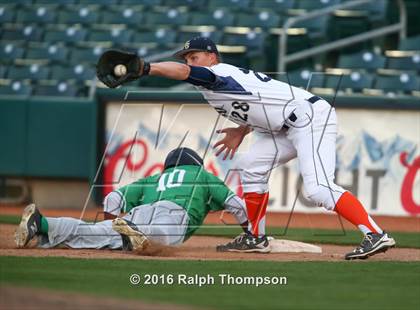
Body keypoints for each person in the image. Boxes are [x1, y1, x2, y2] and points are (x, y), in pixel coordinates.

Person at [96, 37, 396, 260]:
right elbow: (259, 105)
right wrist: (242, 130)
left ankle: (375, 234)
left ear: (212, 56)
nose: (190, 61)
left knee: (317, 189)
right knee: (251, 165)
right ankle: (256, 237)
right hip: (286, 126)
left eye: (194, 56)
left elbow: (185, 74)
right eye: (186, 57)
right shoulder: (214, 89)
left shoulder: (219, 73)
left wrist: (146, 67)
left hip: (311, 119)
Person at [15, 147, 260, 252]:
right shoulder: (202, 175)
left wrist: (113, 224)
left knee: (94, 232)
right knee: (163, 237)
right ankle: (136, 234)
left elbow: (113, 199)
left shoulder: (154, 178)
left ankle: (43, 224)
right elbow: (237, 205)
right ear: (196, 164)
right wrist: (251, 233)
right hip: (174, 214)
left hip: (141, 211)